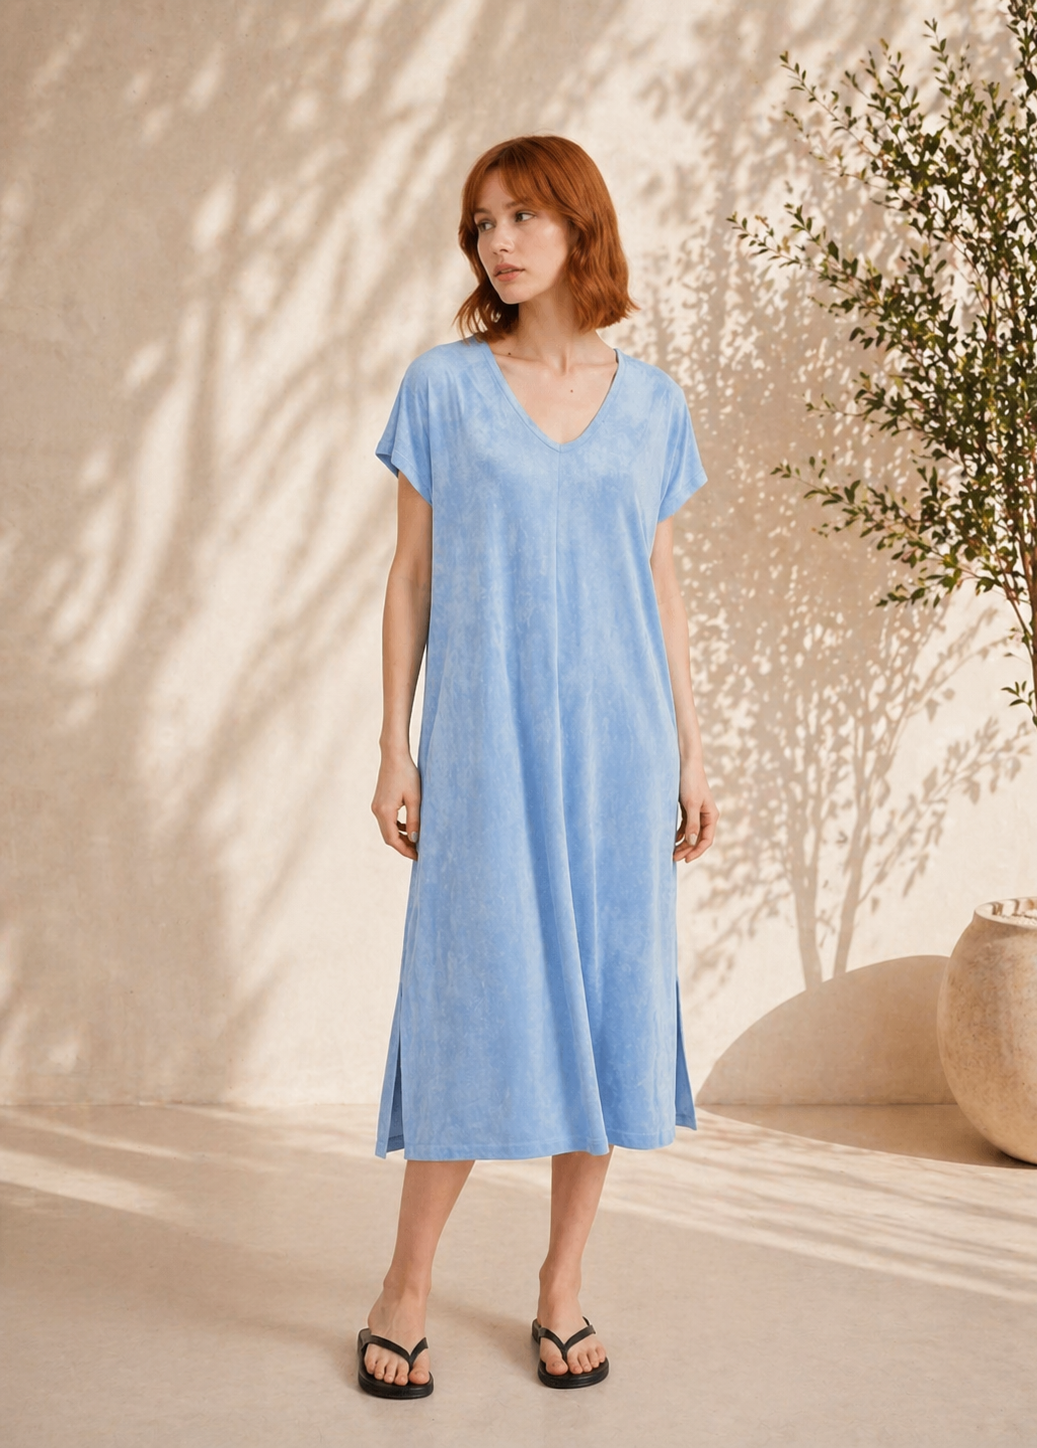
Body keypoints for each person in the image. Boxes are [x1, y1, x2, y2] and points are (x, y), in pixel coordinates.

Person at [359, 134, 718, 1400]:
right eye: (481, 224)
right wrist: (395, 744)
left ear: (579, 225)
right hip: (486, 749)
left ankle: (563, 1284)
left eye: (520, 216)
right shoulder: (445, 388)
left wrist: (690, 748)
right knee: (471, 1002)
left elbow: (660, 584)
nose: (497, 242)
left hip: (622, 753)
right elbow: (411, 576)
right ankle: (404, 1287)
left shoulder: (654, 404)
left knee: (607, 1009)